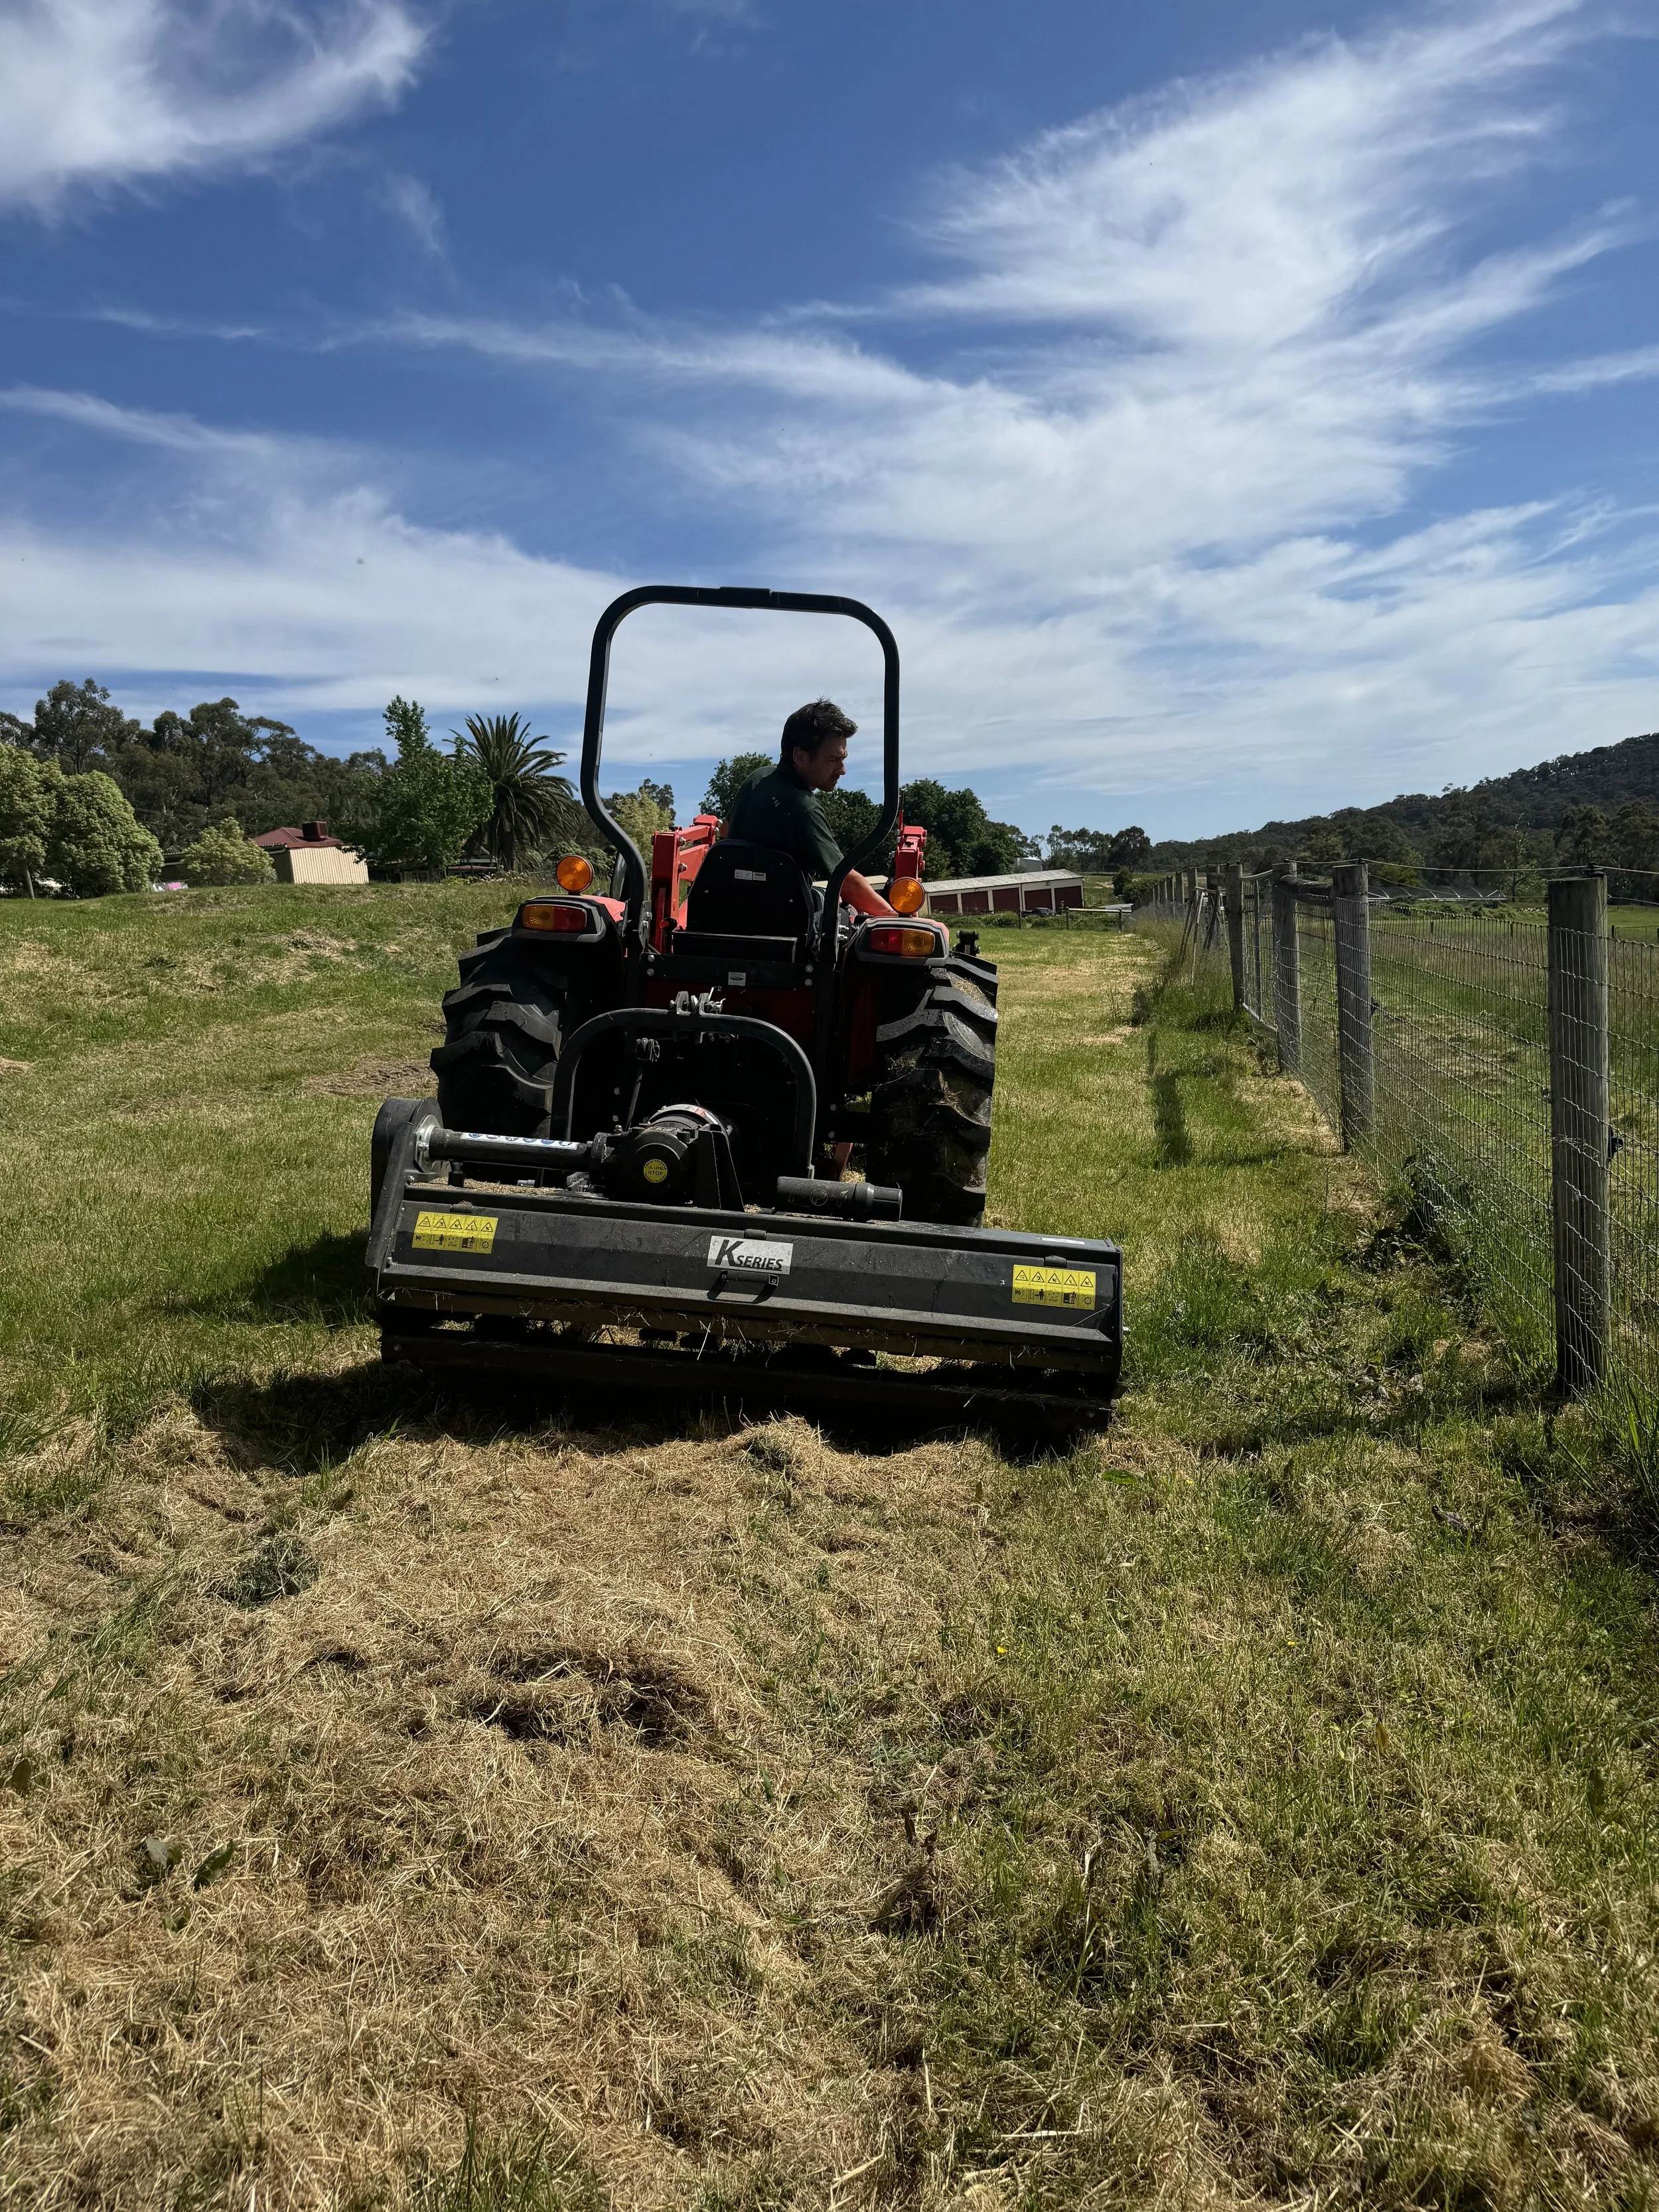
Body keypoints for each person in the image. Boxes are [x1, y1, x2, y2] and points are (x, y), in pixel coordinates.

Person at [722, 700, 897, 917]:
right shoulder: (805, 808)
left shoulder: (757, 779)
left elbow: (725, 831)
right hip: (782, 925)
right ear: (800, 756)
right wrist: (891, 915)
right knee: (847, 916)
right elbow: (846, 881)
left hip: (729, 912)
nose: (842, 770)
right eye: (833, 759)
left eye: (843, 759)